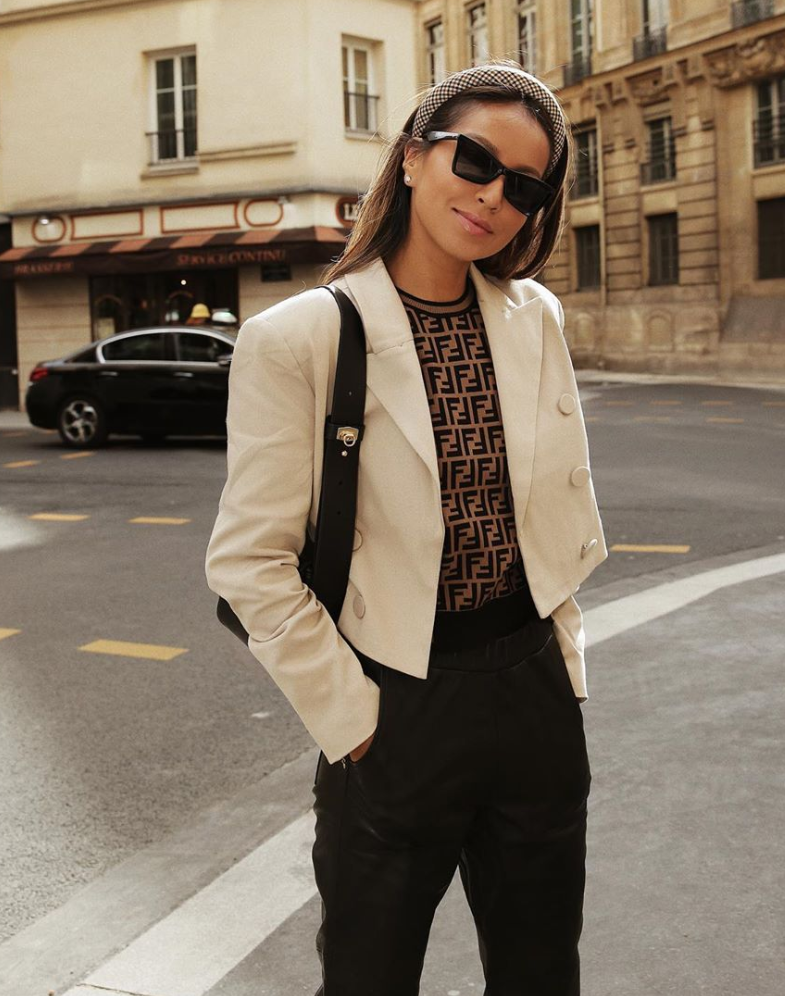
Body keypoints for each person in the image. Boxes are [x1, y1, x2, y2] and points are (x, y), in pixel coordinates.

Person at [204, 58, 608, 996]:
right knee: (369, 977)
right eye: (475, 161)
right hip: (394, 700)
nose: (494, 195)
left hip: (532, 694)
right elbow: (249, 562)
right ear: (415, 157)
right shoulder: (300, 335)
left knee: (543, 973)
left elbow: (544, 511)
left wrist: (561, 667)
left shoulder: (534, 317)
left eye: (523, 185)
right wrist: (354, 723)